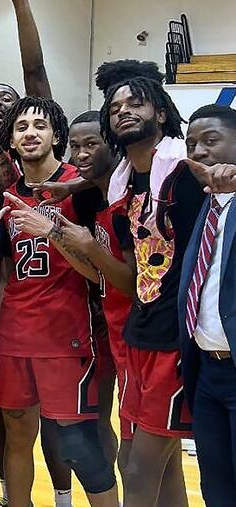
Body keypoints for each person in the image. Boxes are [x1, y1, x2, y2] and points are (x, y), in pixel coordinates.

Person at [0, 96, 119, 507]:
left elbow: (100, 272)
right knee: (17, 433)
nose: (30, 133)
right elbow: (6, 281)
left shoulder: (82, 187)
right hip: (14, 337)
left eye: (39, 125)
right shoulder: (9, 196)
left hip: (67, 334)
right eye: (21, 127)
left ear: (56, 135)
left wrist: (52, 233)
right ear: (12, 140)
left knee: (77, 440)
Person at [99, 70, 200, 507]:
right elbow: (131, 275)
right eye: (116, 108)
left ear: (160, 111)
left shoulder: (187, 174)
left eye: (135, 104)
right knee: (166, 463)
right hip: (141, 333)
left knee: (136, 466)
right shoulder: (122, 186)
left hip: (179, 338)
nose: (124, 112)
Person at [58, 110, 135, 479]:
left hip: (142, 333)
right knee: (105, 425)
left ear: (114, 145)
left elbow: (130, 282)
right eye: (75, 147)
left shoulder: (131, 200)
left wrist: (86, 247)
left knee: (141, 453)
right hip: (107, 327)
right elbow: (100, 277)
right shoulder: (94, 197)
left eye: (92, 143)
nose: (82, 154)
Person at [178, 104, 236, 506]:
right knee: (215, 488)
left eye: (211, 141)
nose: (199, 151)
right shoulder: (206, 203)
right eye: (192, 143)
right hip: (206, 373)